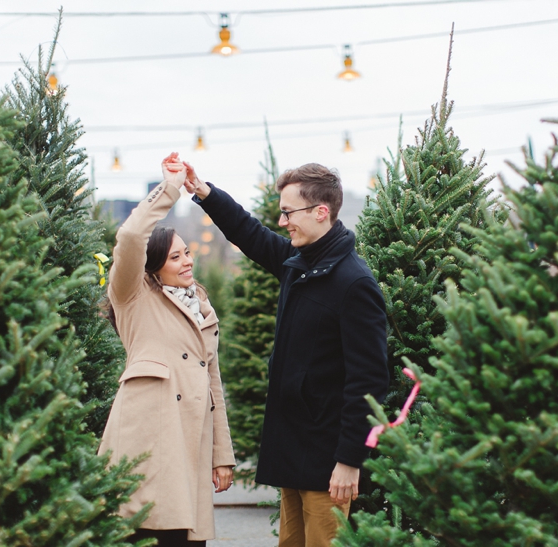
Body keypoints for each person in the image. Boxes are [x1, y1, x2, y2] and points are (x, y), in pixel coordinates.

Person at [183, 162, 389, 547]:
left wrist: (349, 460)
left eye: (288, 212)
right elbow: (250, 232)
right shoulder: (299, 264)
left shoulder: (353, 282)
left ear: (321, 212)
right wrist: (206, 193)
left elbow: (370, 381)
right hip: (294, 450)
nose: (281, 221)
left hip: (327, 461)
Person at [98, 153, 235, 547]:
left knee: (187, 539)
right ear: (154, 265)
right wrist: (171, 187)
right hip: (146, 444)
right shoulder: (132, 295)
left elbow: (214, 384)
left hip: (188, 443)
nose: (188, 261)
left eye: (187, 252)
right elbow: (129, 238)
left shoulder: (201, 306)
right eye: (175, 256)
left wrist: (221, 455)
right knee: (147, 535)